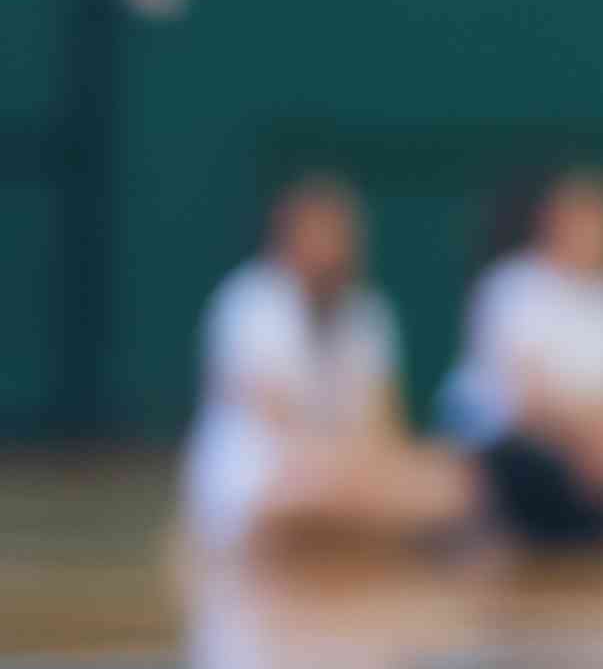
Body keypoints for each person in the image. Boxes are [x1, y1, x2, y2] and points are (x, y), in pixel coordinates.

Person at [180, 175, 473, 558]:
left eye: (343, 234)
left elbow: (384, 422)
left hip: (350, 472)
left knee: (456, 486)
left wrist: (377, 471)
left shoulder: (369, 312)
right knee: (305, 495)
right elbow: (278, 423)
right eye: (321, 233)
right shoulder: (249, 304)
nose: (334, 248)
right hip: (267, 475)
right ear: (287, 237)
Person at [442, 165, 603, 550]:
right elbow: (529, 404)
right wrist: (589, 445)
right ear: (554, 222)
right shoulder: (513, 287)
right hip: (518, 445)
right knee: (528, 474)